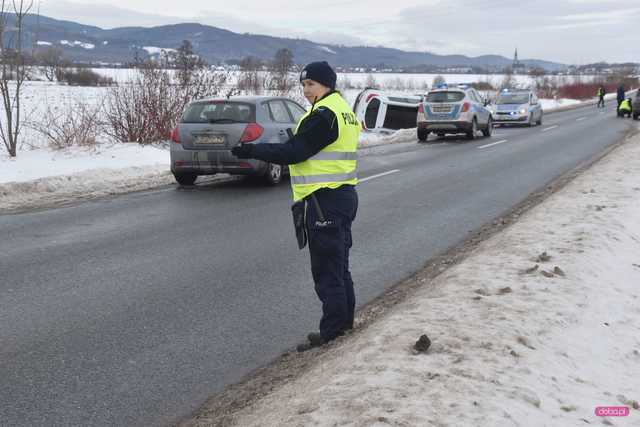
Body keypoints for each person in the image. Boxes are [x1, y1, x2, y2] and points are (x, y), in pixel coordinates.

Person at [231, 61, 360, 352]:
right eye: (303, 85)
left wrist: (252, 149)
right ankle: (344, 323)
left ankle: (332, 333)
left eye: (311, 84)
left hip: (324, 199)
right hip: (341, 195)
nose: (305, 90)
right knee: (339, 265)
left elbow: (295, 152)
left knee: (327, 270)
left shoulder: (325, 115)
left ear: (326, 84)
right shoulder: (342, 111)